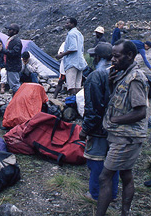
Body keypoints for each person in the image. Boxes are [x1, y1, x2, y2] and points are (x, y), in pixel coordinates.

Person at [96, 39, 149, 216]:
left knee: (105, 177)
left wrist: (116, 120)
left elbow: (141, 111)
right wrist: (111, 84)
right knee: (126, 174)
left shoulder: (135, 78)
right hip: (120, 135)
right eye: (112, 56)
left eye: (117, 56)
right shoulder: (122, 74)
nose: (113, 59)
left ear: (130, 55)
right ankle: (125, 212)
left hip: (127, 137)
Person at [79, 42, 119, 202]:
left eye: (94, 56)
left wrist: (85, 129)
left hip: (100, 129)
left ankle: (95, 194)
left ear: (99, 58)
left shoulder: (96, 76)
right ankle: (113, 194)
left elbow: (93, 108)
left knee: (96, 161)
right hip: (117, 127)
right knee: (112, 162)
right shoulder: (120, 71)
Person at [55, 17, 87, 95]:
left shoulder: (71, 34)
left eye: (67, 23)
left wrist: (62, 55)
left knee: (71, 86)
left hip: (72, 62)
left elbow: (73, 48)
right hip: (80, 62)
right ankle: (78, 103)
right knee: (78, 85)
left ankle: (73, 103)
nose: (66, 25)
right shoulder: (79, 34)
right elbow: (81, 49)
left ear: (72, 24)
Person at [0, 23, 22, 95]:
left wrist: (3, 50)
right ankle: (16, 100)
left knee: (15, 85)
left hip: (13, 66)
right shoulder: (12, 40)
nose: (8, 31)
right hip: (10, 66)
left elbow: (15, 53)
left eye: (10, 30)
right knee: (13, 85)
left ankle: (20, 100)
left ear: (15, 31)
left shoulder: (17, 41)